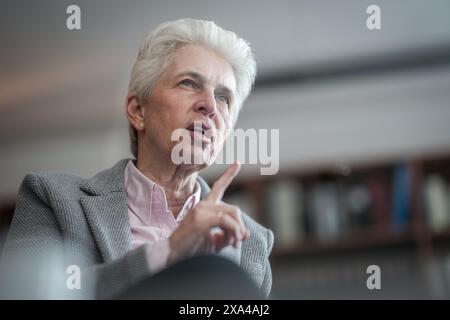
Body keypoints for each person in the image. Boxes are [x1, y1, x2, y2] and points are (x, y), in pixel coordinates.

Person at [0, 18, 274, 299]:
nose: (210, 106)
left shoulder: (253, 242)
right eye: (189, 83)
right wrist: (168, 252)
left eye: (224, 97)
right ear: (138, 111)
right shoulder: (51, 199)